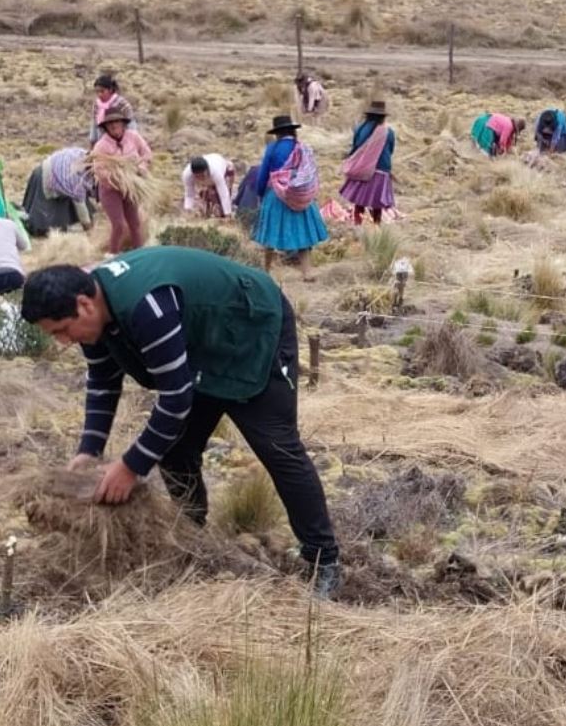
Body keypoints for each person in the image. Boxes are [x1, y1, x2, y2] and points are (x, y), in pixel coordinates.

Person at [20, 249, 342, 597]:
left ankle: (324, 560)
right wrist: (89, 450)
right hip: (201, 347)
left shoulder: (146, 306)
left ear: (83, 304)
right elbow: (102, 381)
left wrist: (131, 467)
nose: (64, 341)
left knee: (278, 448)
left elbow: (175, 400)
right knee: (176, 450)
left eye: (62, 331)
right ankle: (191, 535)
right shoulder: (96, 318)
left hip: (252, 331)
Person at [253, 114, 328, 276]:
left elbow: (264, 173)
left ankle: (266, 270)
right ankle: (307, 272)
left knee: (270, 235)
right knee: (304, 234)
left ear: (277, 133)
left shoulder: (272, 148)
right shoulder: (301, 147)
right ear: (292, 131)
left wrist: (260, 192)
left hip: (276, 194)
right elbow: (310, 172)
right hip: (299, 193)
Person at [91, 104, 153, 254]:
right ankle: (112, 255)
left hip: (131, 187)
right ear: (106, 127)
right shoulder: (101, 146)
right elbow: (100, 171)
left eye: (116, 122)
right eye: (110, 124)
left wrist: (141, 168)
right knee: (119, 225)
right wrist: (118, 177)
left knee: (135, 223)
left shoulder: (133, 137)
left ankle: (140, 254)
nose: (114, 126)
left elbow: (147, 154)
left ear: (123, 124)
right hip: (111, 190)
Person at [338, 99, 396, 225]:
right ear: (383, 117)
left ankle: (358, 224)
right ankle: (376, 226)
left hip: (361, 169)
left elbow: (355, 147)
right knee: (377, 204)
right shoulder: (388, 132)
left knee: (359, 201)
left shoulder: (360, 128)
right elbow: (390, 150)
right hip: (381, 169)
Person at [22, 147, 95, 238]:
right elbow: (81, 209)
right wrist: (89, 231)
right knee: (42, 222)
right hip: (45, 177)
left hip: (52, 171)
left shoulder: (82, 153)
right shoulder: (76, 181)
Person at [182, 154, 237, 218]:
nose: (200, 177)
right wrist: (188, 211)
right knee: (209, 205)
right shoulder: (187, 175)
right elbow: (189, 194)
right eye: (197, 176)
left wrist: (228, 215)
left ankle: (228, 209)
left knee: (223, 205)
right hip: (208, 181)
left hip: (225, 170)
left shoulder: (216, 172)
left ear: (207, 170)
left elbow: (224, 194)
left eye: (202, 175)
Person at [89, 73, 135, 146]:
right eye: (97, 92)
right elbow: (94, 124)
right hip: (102, 141)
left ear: (110, 90)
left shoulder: (122, 104)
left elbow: (131, 125)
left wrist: (130, 143)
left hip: (121, 141)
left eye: (102, 91)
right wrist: (92, 140)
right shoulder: (97, 104)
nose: (99, 94)